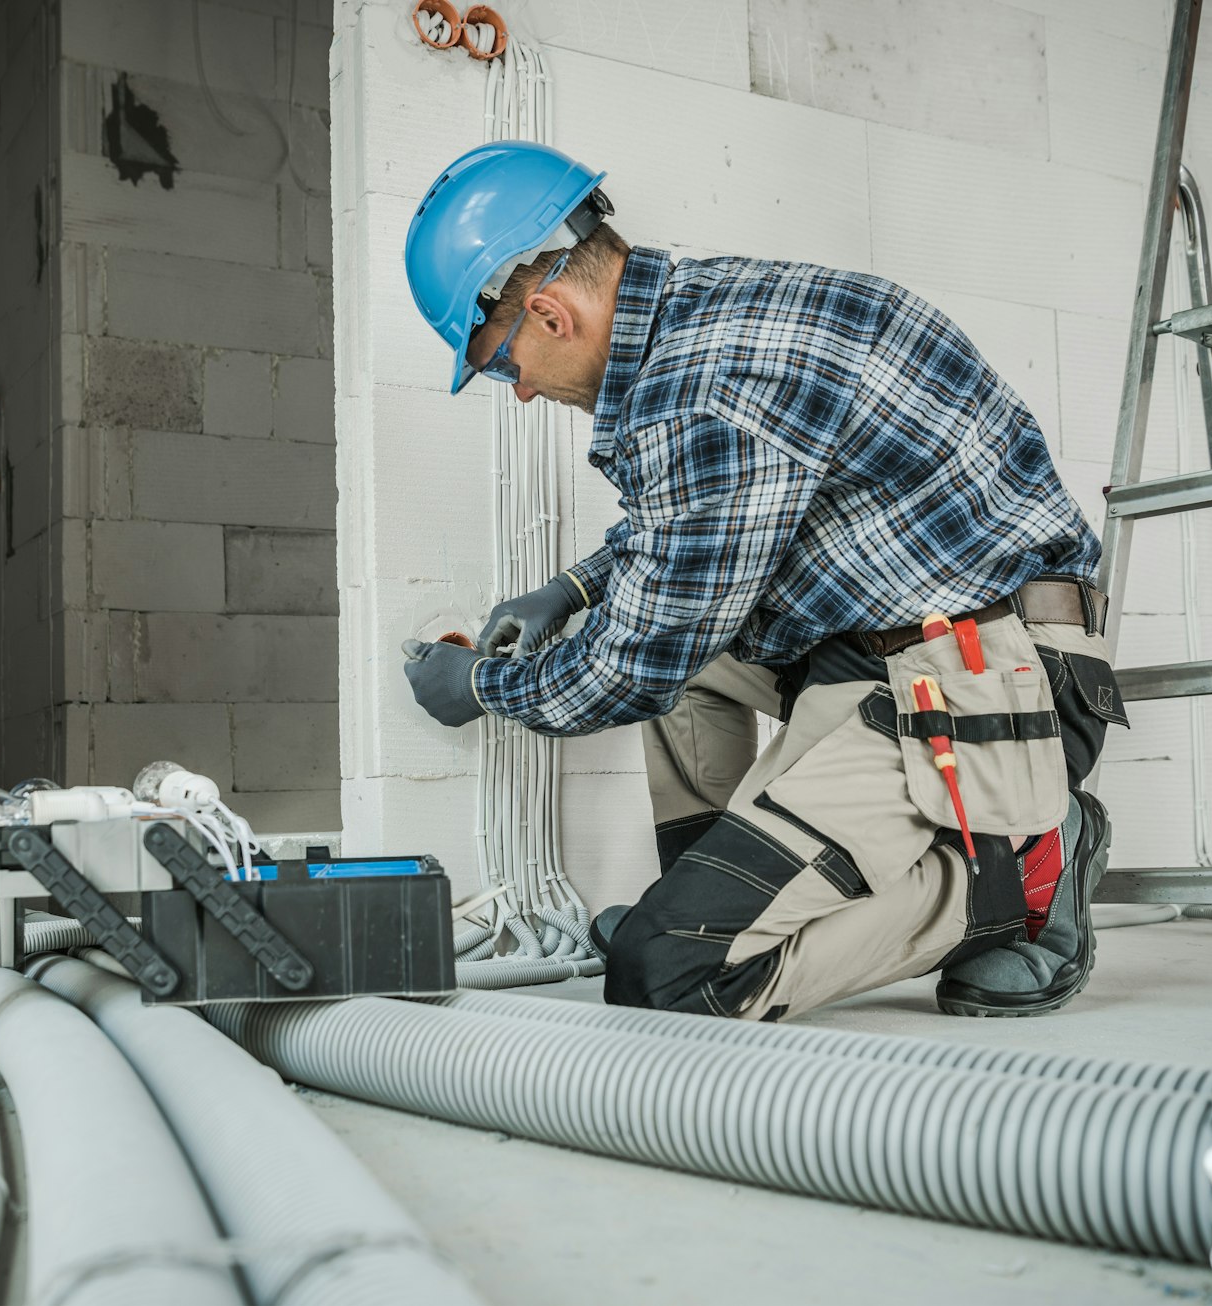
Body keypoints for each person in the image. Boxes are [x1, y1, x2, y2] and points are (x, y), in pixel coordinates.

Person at [397, 142, 1129, 1021]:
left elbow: (636, 663)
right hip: (893, 646)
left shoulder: (700, 388)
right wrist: (574, 591)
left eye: (502, 366)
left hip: (996, 682)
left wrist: (482, 686)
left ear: (550, 314)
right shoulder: (702, 310)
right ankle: (708, 903)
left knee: (666, 977)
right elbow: (698, 529)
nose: (516, 394)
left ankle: (1028, 875)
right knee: (680, 647)